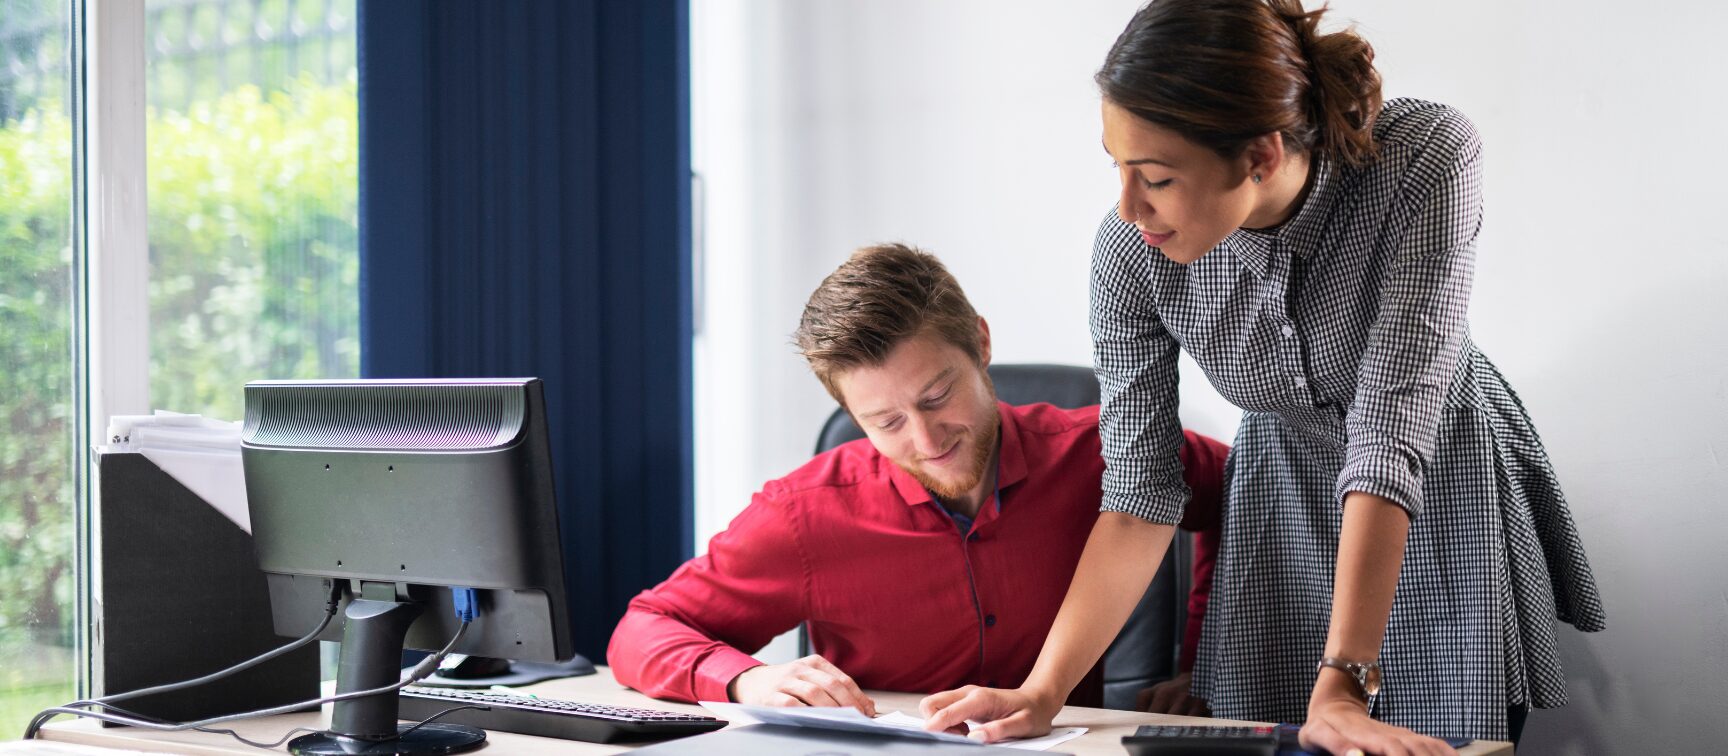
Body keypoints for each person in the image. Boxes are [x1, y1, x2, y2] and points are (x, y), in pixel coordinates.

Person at [918, 1, 1605, 753]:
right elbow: (1141, 492)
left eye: (1155, 177)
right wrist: (1041, 692)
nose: (1128, 205)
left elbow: (1390, 428)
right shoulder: (1130, 251)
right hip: (1279, 503)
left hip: (1435, 482)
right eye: (1116, 166)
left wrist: (1343, 683)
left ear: (1262, 156)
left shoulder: (1424, 158)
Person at [606, 243, 1229, 714]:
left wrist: (1211, 667)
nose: (926, 441)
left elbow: (1250, 496)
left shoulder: (1104, 453)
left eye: (937, 396)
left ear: (980, 344)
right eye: (886, 421)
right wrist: (749, 679)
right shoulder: (802, 515)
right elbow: (643, 629)